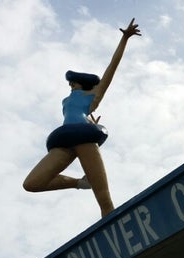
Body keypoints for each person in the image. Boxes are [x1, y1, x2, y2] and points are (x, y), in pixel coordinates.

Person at [23, 18, 141, 217]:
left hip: (84, 138)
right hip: (65, 140)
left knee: (104, 201)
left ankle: (111, 229)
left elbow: (112, 67)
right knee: (32, 183)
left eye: (74, 83)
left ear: (82, 83)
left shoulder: (92, 95)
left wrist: (125, 39)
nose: (71, 86)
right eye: (70, 83)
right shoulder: (66, 100)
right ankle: (80, 182)